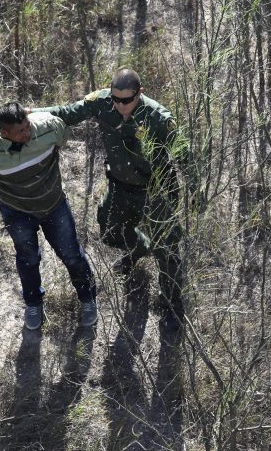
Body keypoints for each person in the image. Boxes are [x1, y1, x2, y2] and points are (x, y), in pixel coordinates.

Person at [36, 68, 193, 329]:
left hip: (156, 191)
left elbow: (184, 155)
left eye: (126, 99)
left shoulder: (157, 117)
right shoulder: (101, 102)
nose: (120, 105)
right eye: (116, 98)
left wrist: (197, 193)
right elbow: (68, 113)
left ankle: (172, 305)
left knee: (167, 249)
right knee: (110, 230)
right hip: (120, 186)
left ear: (139, 93)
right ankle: (140, 248)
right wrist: (32, 113)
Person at [0, 103, 97, 330]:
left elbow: (62, 138)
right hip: (17, 212)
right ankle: (33, 303)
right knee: (28, 259)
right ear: (4, 132)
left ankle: (88, 299)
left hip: (54, 205)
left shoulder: (48, 127)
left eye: (27, 126)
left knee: (71, 254)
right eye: (20, 131)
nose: (27, 133)